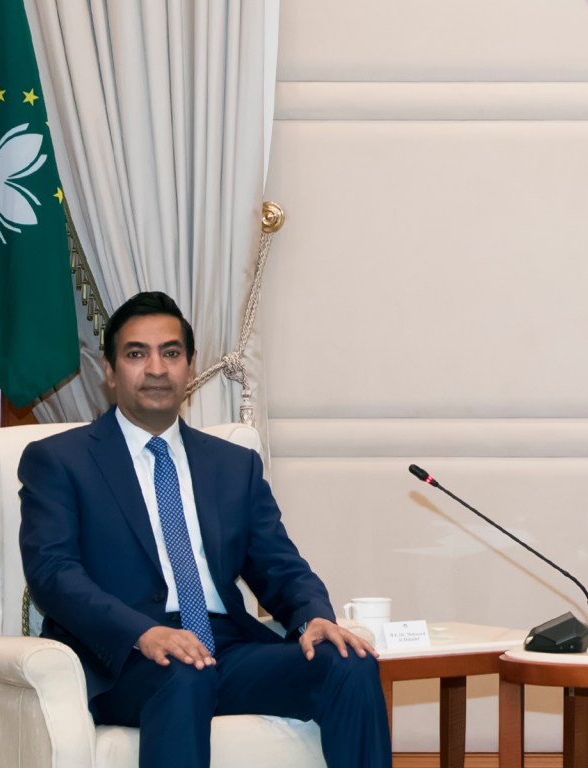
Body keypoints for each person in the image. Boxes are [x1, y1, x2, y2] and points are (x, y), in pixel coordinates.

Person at [19, 291, 390, 768]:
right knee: (183, 673)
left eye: (171, 353)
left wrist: (312, 616)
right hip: (127, 659)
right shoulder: (61, 461)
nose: (157, 369)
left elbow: (279, 565)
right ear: (110, 371)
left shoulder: (233, 464)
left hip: (225, 648)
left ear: (190, 366)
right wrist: (143, 633)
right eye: (137, 354)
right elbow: (53, 574)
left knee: (349, 664)